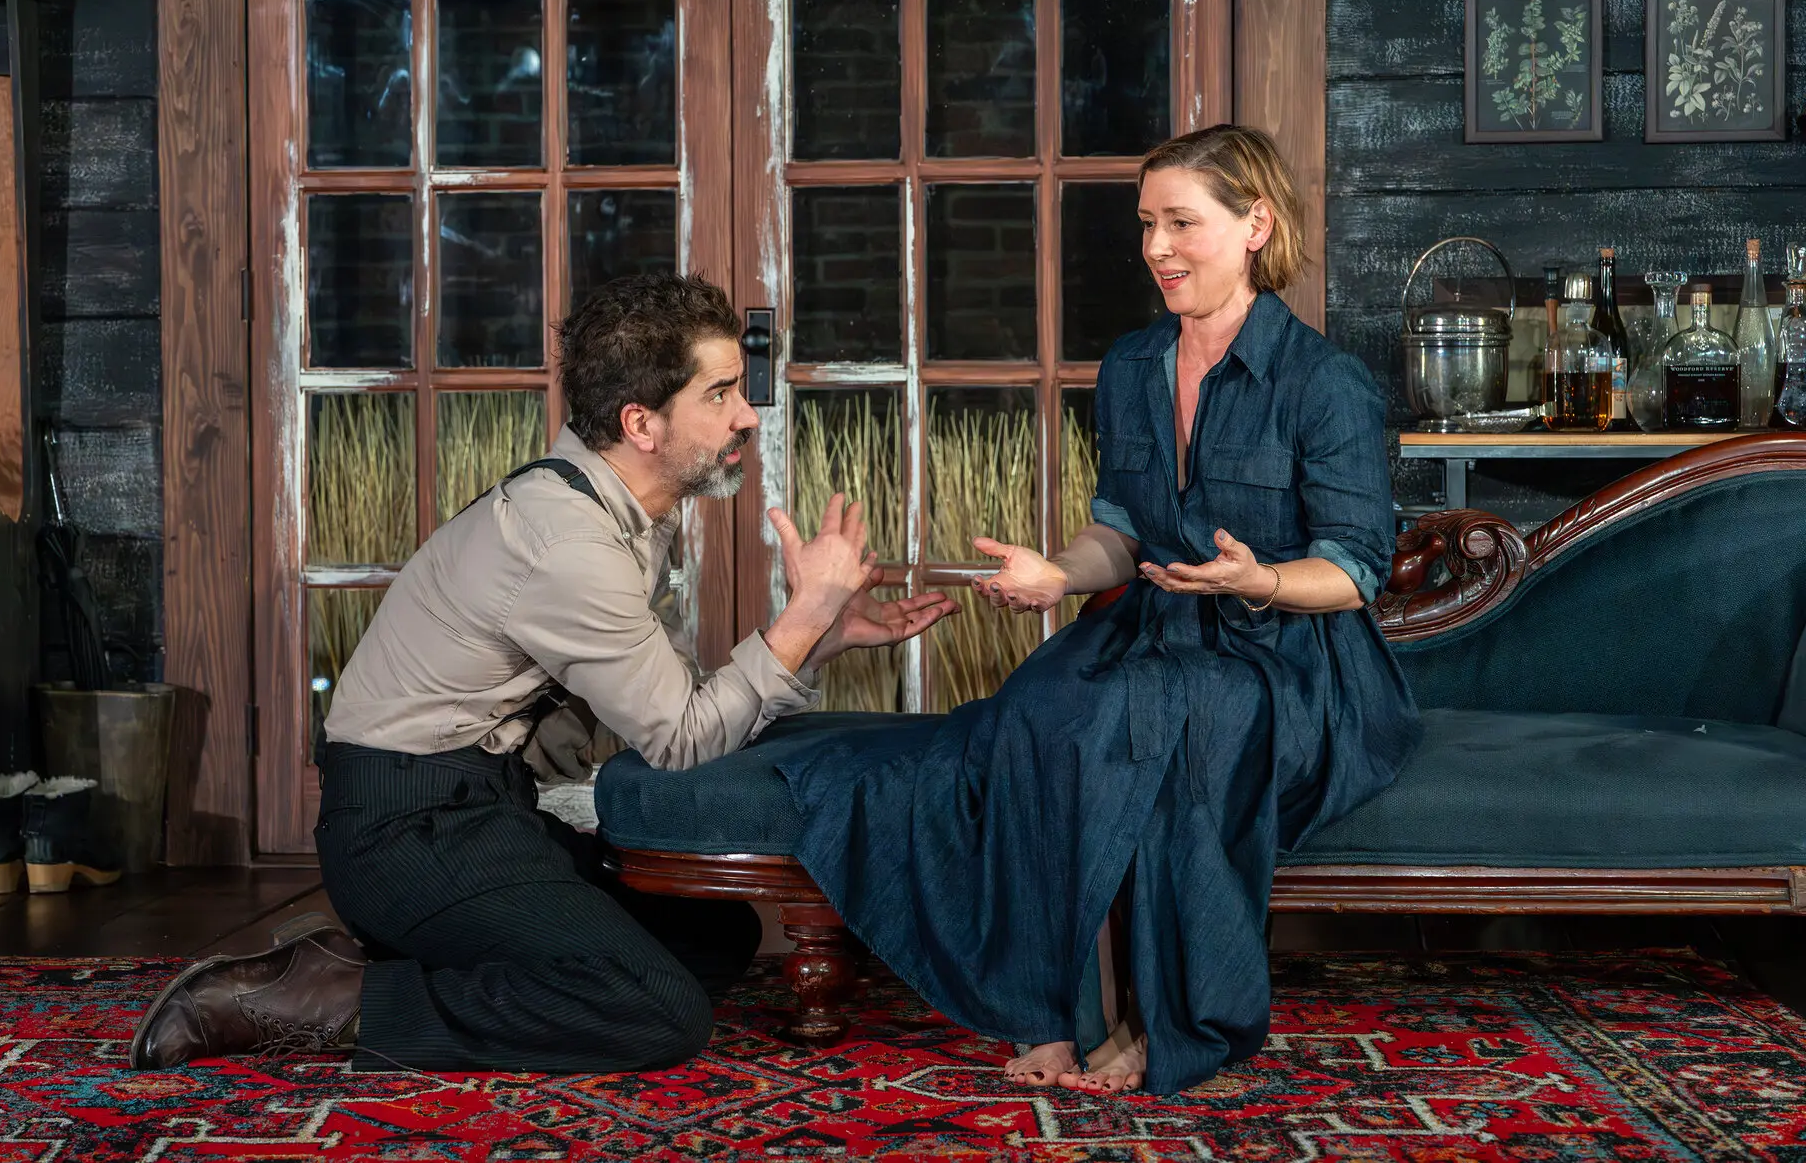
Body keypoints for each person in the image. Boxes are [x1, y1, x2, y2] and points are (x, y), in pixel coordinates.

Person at [129, 273, 955, 1073]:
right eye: (721, 393)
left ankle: (412, 954)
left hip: (482, 805)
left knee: (716, 938)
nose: (747, 413)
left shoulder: (618, 516)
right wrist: (799, 616)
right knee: (661, 1009)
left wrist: (822, 636)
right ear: (642, 422)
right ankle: (330, 997)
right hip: (405, 829)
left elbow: (673, 702)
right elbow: (679, 739)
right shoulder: (570, 543)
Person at [774, 124, 1420, 1096]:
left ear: (1255, 225)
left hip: (1284, 652)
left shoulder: (1324, 383)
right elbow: (1117, 531)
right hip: (1151, 626)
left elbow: (1353, 571)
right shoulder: (1128, 367)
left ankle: (1169, 1028)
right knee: (1038, 713)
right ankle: (1052, 1012)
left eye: (1181, 224)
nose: (1156, 247)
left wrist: (1258, 580)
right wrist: (1058, 575)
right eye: (1146, 224)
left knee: (1165, 724)